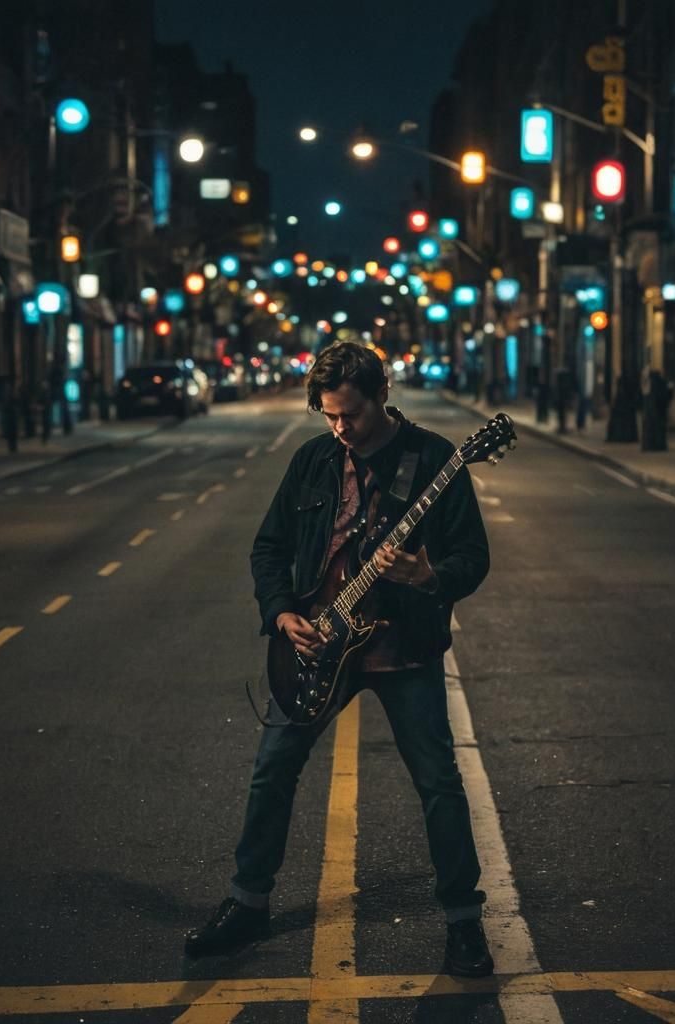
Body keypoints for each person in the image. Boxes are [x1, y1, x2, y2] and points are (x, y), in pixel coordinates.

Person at [185, 341, 495, 977]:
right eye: (327, 415)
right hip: (320, 642)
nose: (339, 427)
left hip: (402, 647)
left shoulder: (434, 460)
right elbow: (268, 549)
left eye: (349, 415)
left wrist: (428, 574)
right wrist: (281, 613)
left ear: (382, 396)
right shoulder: (314, 461)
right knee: (272, 769)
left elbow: (473, 557)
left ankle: (464, 923)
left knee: (437, 781)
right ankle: (248, 903)